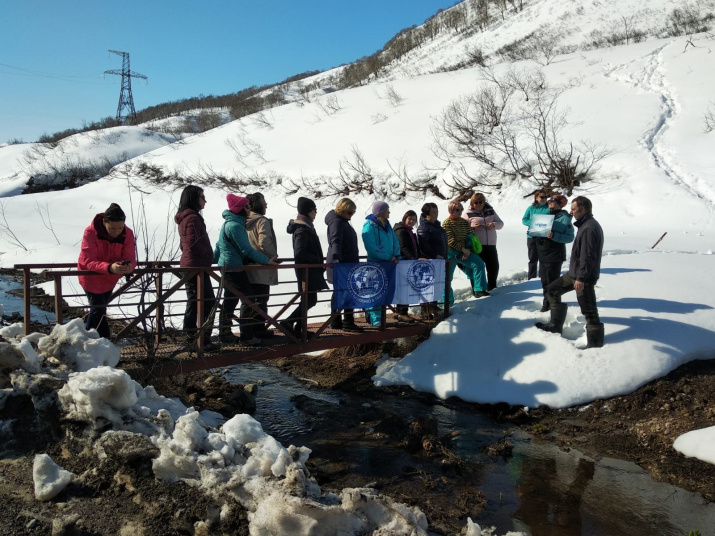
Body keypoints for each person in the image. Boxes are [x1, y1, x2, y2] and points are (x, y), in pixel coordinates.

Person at [536, 196, 604, 348]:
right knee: (552, 290)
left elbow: (588, 256)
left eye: (574, 209)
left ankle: (595, 343)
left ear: (583, 209)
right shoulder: (585, 225)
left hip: (583, 277)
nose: (571, 212)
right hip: (574, 274)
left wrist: (581, 278)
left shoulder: (589, 228)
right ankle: (555, 325)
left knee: (589, 309)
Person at [214, 194, 277, 346]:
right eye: (247, 206)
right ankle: (246, 336)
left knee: (230, 300)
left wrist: (215, 261)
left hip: (229, 266)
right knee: (250, 300)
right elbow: (247, 250)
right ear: (241, 209)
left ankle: (225, 333)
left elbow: (218, 246)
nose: (249, 209)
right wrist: (267, 261)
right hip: (233, 268)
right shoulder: (235, 226)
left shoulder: (229, 223)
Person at [77, 203, 136, 339]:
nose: (116, 232)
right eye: (112, 228)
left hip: (110, 279)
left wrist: (129, 267)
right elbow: (88, 260)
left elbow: (130, 257)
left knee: (98, 310)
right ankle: (105, 343)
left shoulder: (127, 233)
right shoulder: (90, 232)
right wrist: (109, 267)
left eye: (120, 228)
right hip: (90, 277)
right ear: (104, 222)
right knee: (98, 311)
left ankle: (86, 340)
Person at [175, 185, 219, 351]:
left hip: (192, 266)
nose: (205, 200)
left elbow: (184, 244)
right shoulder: (192, 218)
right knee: (206, 303)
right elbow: (192, 244)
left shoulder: (187, 217)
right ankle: (201, 340)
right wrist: (207, 254)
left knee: (195, 301)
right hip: (196, 267)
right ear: (194, 199)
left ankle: (192, 338)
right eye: (202, 197)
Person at [283, 197, 328, 338]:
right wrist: (317, 260)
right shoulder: (302, 229)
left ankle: (298, 327)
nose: (316, 212)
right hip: (306, 271)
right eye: (315, 209)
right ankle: (288, 322)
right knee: (310, 300)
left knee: (307, 299)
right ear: (308, 211)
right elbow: (300, 253)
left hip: (309, 270)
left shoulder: (305, 226)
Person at [325, 197, 363, 332]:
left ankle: (336, 321)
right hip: (342, 264)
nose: (351, 215)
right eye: (349, 212)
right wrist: (336, 259)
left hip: (344, 263)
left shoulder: (341, 221)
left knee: (340, 292)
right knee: (347, 293)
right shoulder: (337, 222)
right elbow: (335, 241)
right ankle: (347, 322)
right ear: (343, 210)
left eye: (353, 213)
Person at [442, 200, 489, 304]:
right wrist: (463, 250)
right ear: (451, 210)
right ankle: (446, 302)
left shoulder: (464, 222)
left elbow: (470, 235)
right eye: (457, 210)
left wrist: (467, 250)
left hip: (465, 251)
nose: (460, 212)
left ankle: (479, 289)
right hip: (451, 253)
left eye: (461, 209)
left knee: (479, 264)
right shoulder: (447, 223)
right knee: (447, 278)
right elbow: (450, 241)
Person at [362, 201, 401, 325]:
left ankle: (381, 317)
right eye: (387, 211)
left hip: (389, 264)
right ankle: (375, 319)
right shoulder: (369, 226)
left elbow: (395, 240)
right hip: (376, 264)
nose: (389, 213)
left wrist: (396, 255)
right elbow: (372, 247)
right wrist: (388, 257)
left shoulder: (387, 225)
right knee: (375, 291)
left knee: (385, 291)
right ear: (381, 212)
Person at [245, 192, 279, 338]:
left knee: (249, 301)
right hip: (263, 266)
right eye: (264, 201)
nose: (266, 204)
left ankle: (248, 331)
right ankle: (259, 330)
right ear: (257, 204)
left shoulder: (244, 220)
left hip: (248, 266)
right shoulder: (262, 221)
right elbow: (264, 242)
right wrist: (273, 256)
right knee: (261, 300)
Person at [534, 194, 574, 312]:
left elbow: (570, 237)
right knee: (544, 281)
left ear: (560, 204)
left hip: (555, 254)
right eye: (550, 200)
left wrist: (554, 235)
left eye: (553, 201)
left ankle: (552, 305)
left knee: (552, 282)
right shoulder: (545, 216)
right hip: (543, 253)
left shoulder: (564, 218)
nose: (550, 202)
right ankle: (547, 302)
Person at [464, 192, 504, 291]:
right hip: (476, 246)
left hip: (490, 244)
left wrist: (493, 225)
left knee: (493, 267)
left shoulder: (491, 211)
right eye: (475, 202)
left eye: (480, 202)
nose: (478, 204)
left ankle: (492, 287)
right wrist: (473, 228)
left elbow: (501, 223)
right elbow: (462, 228)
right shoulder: (468, 213)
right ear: (472, 203)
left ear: (484, 202)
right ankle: (477, 289)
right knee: (477, 267)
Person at [416, 202, 447, 320]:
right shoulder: (424, 227)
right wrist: (436, 255)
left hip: (439, 261)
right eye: (434, 212)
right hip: (430, 261)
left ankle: (433, 305)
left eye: (437, 211)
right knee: (426, 286)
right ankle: (425, 310)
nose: (436, 214)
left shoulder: (436, 226)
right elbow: (424, 245)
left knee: (436, 284)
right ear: (427, 214)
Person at [393, 210, 421, 323]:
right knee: (405, 288)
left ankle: (400, 311)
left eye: (414, 220)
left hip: (408, 262)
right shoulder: (401, 231)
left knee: (405, 288)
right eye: (410, 219)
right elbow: (403, 247)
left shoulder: (408, 231)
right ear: (405, 218)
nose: (412, 221)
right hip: (404, 263)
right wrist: (414, 259)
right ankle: (402, 312)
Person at [522, 190, 551, 280]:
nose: (543, 199)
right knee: (533, 258)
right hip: (532, 236)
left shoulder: (549, 208)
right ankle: (531, 277)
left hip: (544, 236)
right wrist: (533, 222)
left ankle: (543, 276)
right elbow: (524, 219)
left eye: (545, 197)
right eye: (541, 197)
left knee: (543, 258)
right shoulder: (531, 208)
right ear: (536, 198)